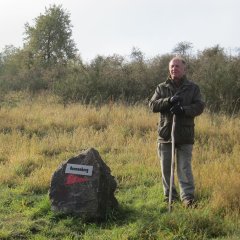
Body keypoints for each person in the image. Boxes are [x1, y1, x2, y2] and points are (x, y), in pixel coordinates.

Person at [149, 56, 205, 207]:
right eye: (172, 66)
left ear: (184, 69)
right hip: (165, 134)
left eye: (177, 66)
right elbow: (152, 105)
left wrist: (183, 110)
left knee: (184, 168)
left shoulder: (193, 88)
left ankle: (187, 198)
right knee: (166, 168)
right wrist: (168, 101)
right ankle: (170, 197)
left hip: (185, 135)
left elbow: (199, 106)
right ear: (169, 69)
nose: (174, 69)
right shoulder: (162, 87)